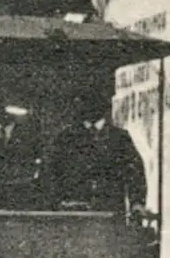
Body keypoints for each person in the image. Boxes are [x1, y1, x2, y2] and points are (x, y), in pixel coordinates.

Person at [44, 87, 148, 215]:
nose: (89, 106)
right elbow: (50, 172)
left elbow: (135, 172)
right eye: (84, 101)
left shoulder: (119, 138)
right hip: (72, 213)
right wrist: (56, 203)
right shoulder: (65, 138)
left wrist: (137, 202)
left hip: (110, 213)